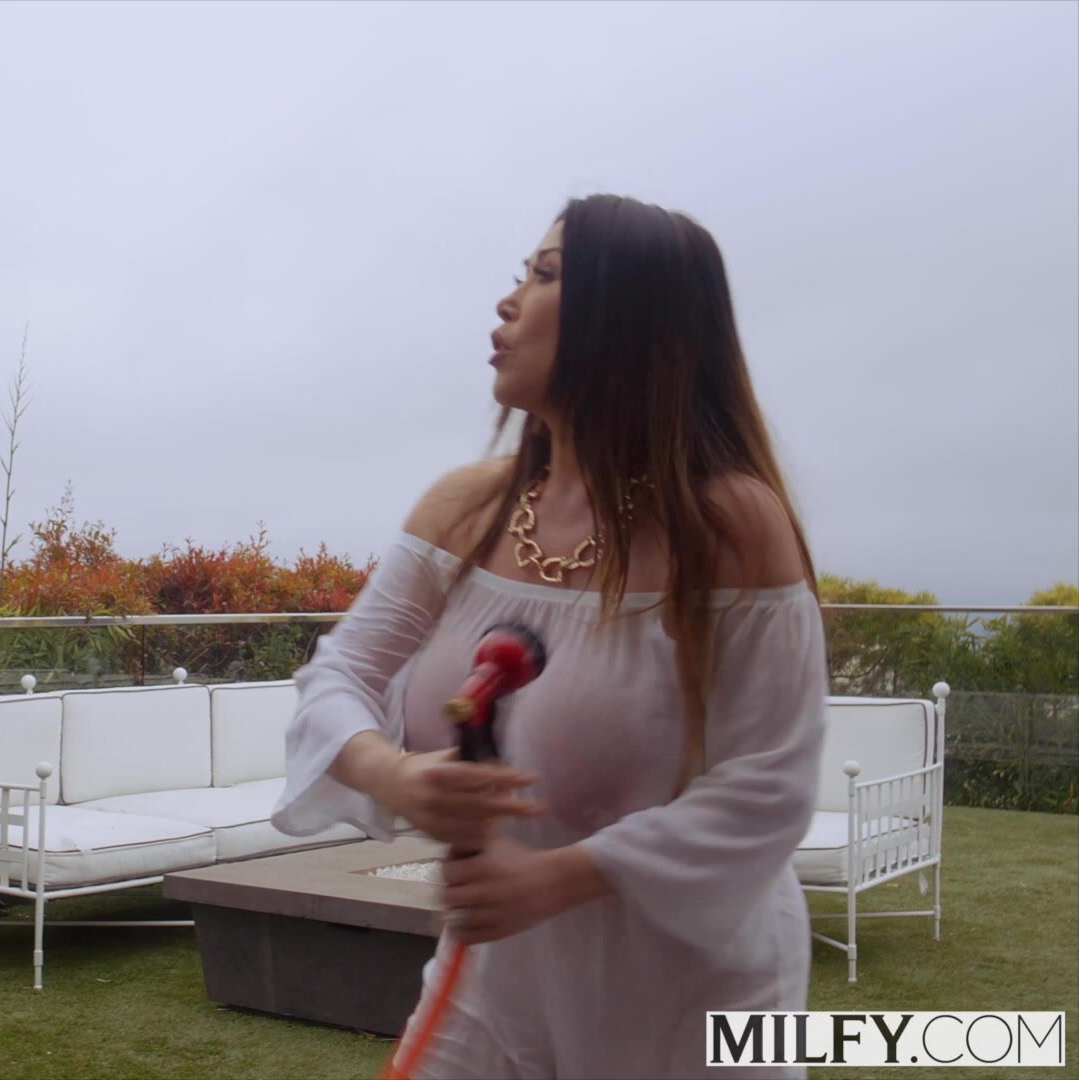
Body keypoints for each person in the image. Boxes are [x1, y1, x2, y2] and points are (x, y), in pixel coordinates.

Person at [273, 193, 828, 1079]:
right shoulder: (464, 510)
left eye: (546, 275)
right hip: (496, 984)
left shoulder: (730, 525)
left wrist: (559, 877)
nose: (508, 301)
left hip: (693, 1002)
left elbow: (770, 785)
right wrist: (394, 774)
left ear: (635, 319)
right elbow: (337, 676)